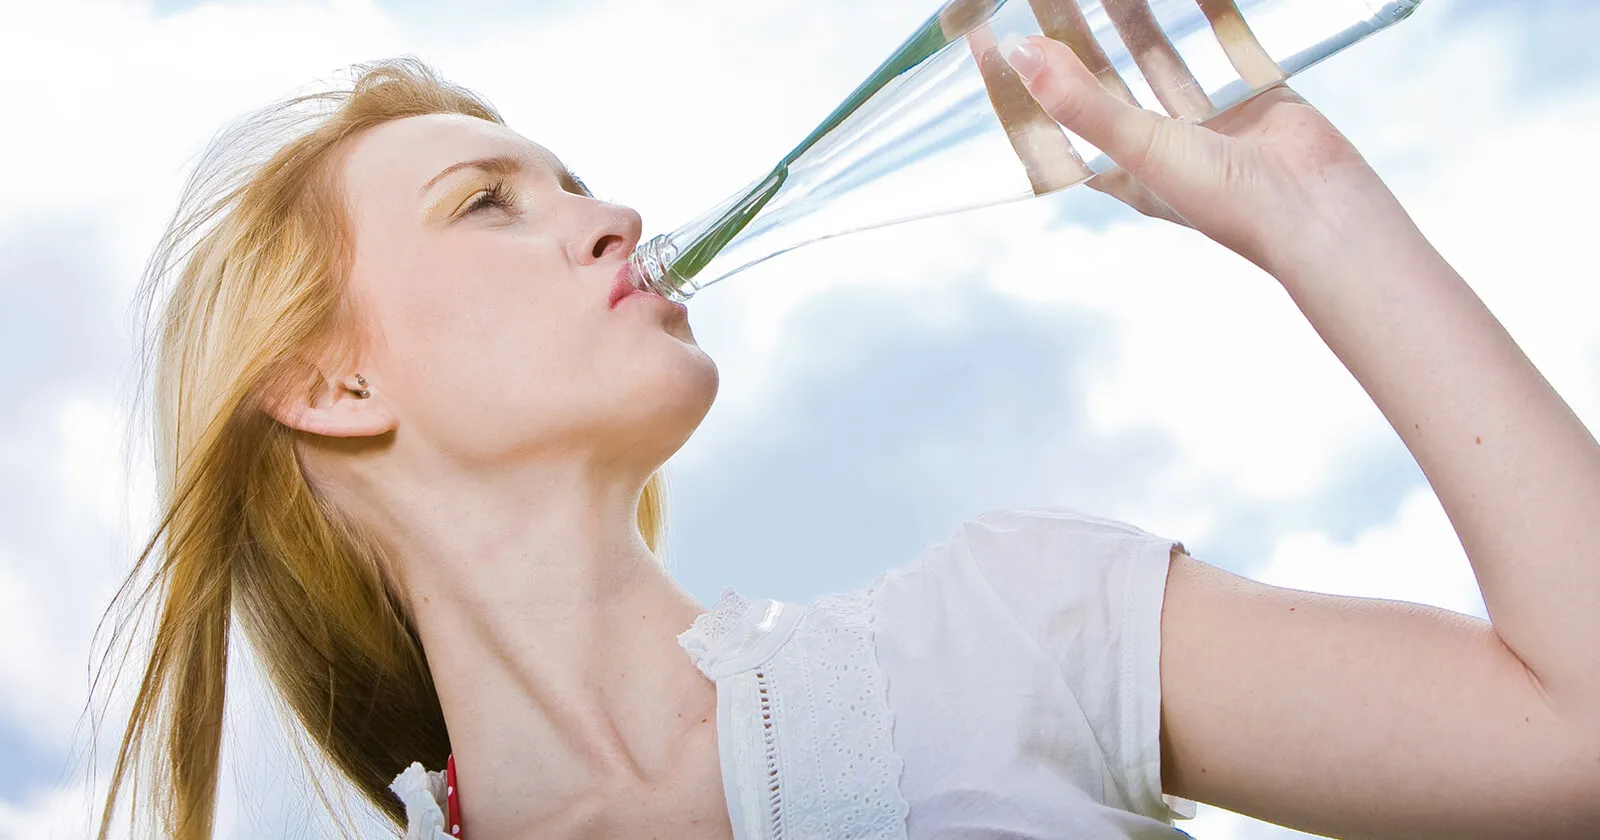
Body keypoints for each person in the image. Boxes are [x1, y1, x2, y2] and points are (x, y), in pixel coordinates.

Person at [98, 19, 1600, 840]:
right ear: (331, 387)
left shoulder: (1010, 630)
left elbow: (1577, 741)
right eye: (487, 203)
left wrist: (1315, 212)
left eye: (578, 182)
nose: (613, 216)